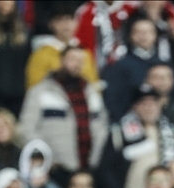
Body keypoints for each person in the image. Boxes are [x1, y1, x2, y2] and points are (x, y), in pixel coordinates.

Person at [18, 45, 108, 175]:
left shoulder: (91, 92)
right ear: (61, 60)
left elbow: (103, 124)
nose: (76, 64)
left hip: (89, 166)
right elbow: (27, 127)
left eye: (80, 61)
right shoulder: (40, 92)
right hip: (55, 168)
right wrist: (46, 155)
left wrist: (98, 155)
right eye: (72, 59)